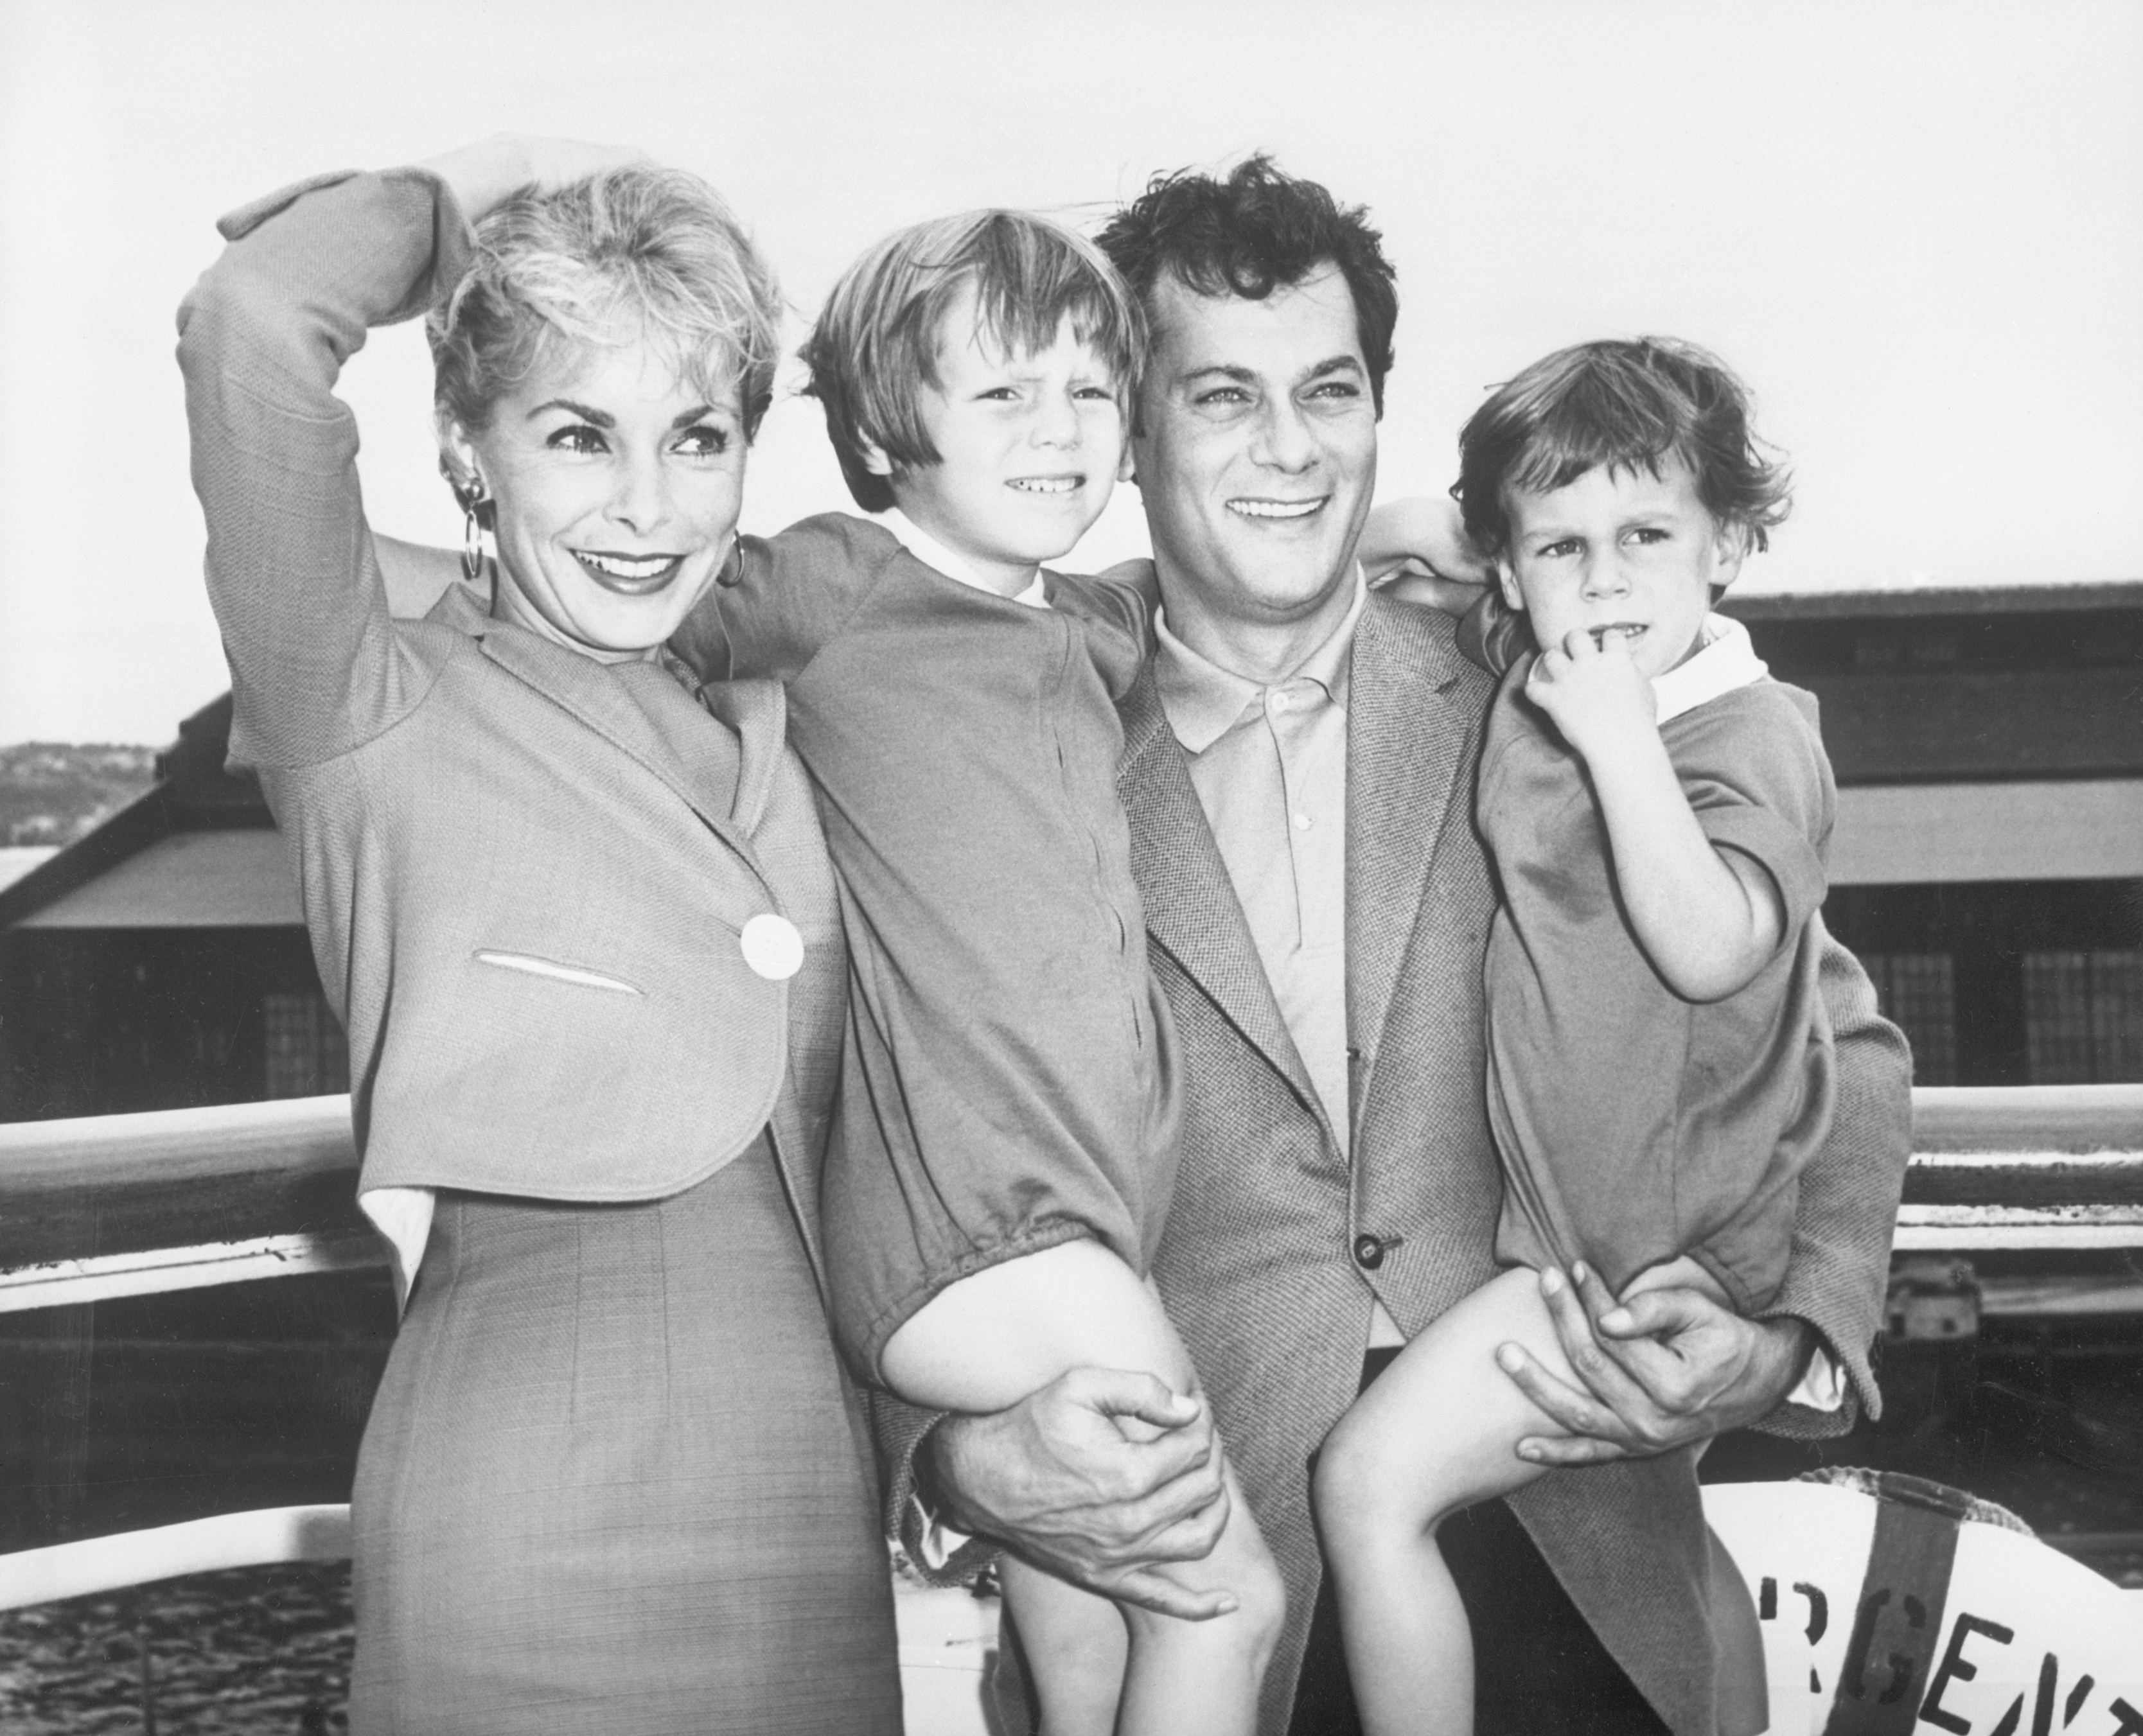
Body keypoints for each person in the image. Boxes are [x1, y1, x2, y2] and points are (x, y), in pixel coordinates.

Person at [895, 157, 1912, 1736]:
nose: (1290, 448)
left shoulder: (1561, 679)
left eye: (1331, 389)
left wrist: (1787, 1340)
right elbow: (866, 1108)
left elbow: (1833, 1035)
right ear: (1126, 420)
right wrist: (951, 1452)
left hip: (1576, 1535)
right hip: (1199, 1593)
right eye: (1224, 394)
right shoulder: (998, 722)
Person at [177, 136, 901, 1732]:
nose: (648, 507)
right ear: (467, 451)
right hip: (530, 1514)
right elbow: (251, 321)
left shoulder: (774, 720)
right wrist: (452, 223)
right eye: (580, 435)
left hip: (810, 1515)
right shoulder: (367, 704)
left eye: (695, 437)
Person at [667, 207, 1285, 1733]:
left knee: (1083, 1633)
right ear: (890, 427)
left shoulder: (1090, 625)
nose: (1061, 428)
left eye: (1089, 390)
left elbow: (1194, 598)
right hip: (978, 1222)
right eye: (1004, 395)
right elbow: (615, 597)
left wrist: (1419, 534)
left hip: (1073, 1215)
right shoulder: (844, 578)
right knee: (1232, 1596)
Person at [1310, 338, 1837, 1735]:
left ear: (1727, 542)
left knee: (1370, 1487)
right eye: (1562, 545)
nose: (1605, 579)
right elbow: (1419, 544)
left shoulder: (1743, 727)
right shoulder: (1552, 662)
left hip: (1633, 1260)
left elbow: (1717, 938)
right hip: (1579, 1236)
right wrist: (1436, 531)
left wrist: (1622, 744)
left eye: (1648, 535)